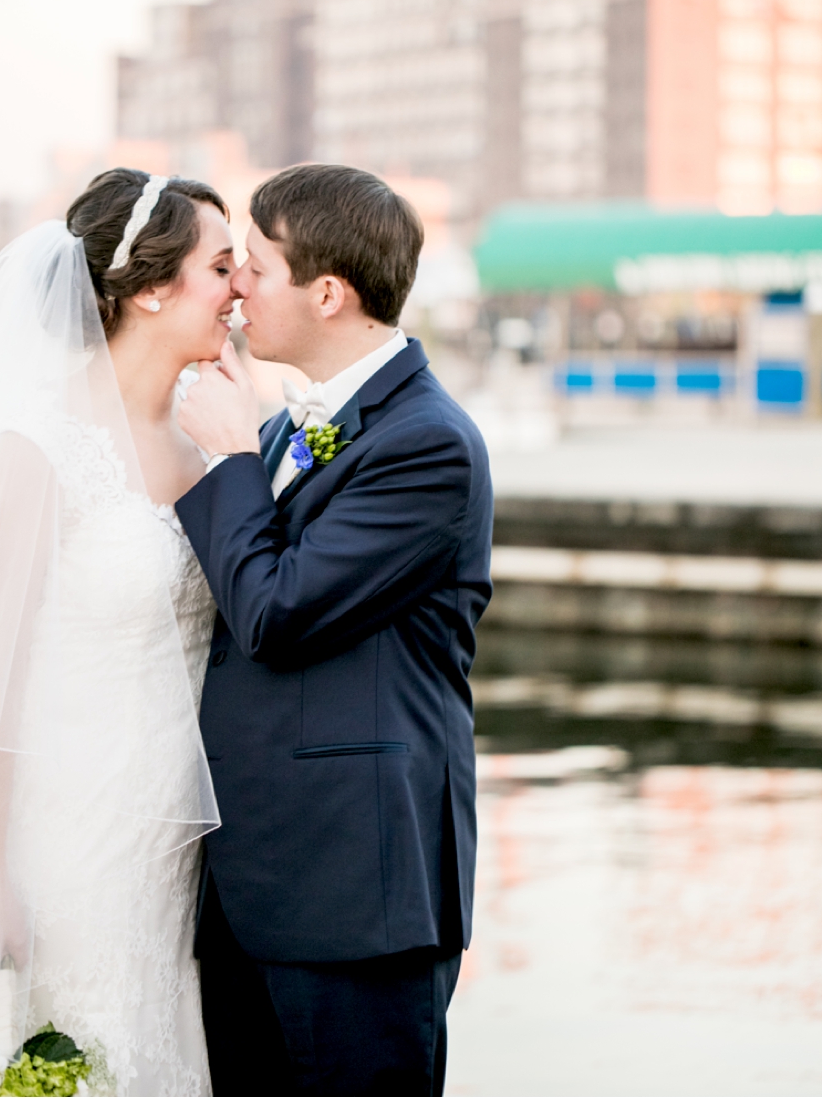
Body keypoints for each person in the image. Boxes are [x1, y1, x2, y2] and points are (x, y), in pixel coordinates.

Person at [176, 163, 493, 1098]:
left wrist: (233, 453)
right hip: (251, 886)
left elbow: (275, 614)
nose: (237, 289)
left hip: (356, 895)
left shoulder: (427, 444)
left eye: (257, 269)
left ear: (327, 292)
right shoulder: (296, 428)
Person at [0, 169, 237, 1096]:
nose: (240, 289)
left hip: (184, 856)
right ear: (152, 287)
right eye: (223, 265)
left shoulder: (215, 454)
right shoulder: (35, 446)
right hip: (69, 844)